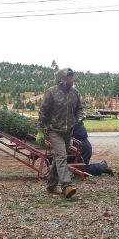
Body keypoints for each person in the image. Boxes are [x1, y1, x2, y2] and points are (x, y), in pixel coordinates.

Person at [36, 68, 83, 198]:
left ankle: (51, 185)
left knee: (58, 158)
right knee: (62, 156)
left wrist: (80, 117)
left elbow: (79, 109)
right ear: (62, 79)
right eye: (69, 76)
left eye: (72, 76)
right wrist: (40, 130)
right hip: (54, 130)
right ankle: (66, 185)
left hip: (68, 131)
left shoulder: (75, 93)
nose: (72, 79)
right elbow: (43, 112)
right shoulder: (51, 92)